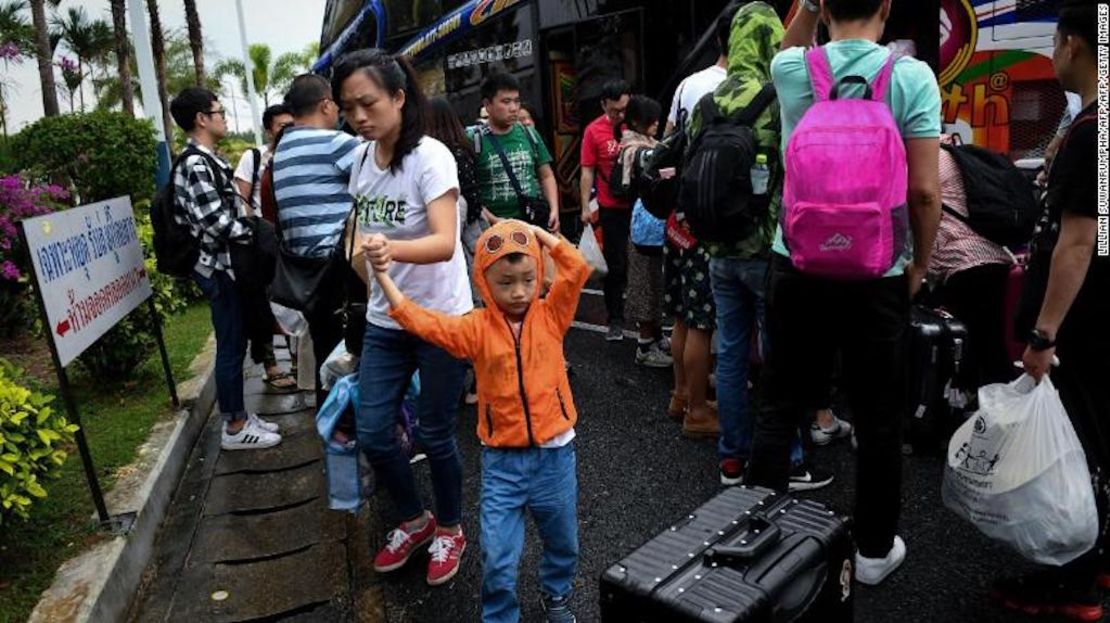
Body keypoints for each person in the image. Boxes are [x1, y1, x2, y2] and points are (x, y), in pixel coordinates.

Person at [746, 0, 942, 586]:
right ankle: (875, 551)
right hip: (878, 271)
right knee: (879, 416)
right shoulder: (910, 77)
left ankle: (753, 534)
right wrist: (918, 265)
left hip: (797, 263)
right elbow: (926, 191)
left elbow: (786, 46)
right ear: (887, 6)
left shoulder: (793, 71)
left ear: (823, 5)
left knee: (781, 402)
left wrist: (807, 7)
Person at [371, 220, 589, 623]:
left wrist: (538, 234)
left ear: (540, 273)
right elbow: (424, 323)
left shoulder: (552, 314)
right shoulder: (475, 328)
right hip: (502, 465)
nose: (519, 291)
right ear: (483, 281)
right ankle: (499, 616)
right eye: (505, 283)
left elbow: (576, 268)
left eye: (528, 279)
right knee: (498, 555)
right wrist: (383, 277)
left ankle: (556, 596)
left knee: (564, 543)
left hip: (555, 459)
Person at [334, 49, 473, 587]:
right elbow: (361, 236)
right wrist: (365, 260)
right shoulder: (361, 161)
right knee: (372, 433)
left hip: (441, 321)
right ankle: (416, 520)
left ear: (397, 97)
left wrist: (388, 248)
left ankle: (452, 529)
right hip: (386, 322)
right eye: (348, 108)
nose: (359, 117)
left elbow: (443, 243)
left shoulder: (431, 156)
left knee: (436, 435)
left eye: (367, 103)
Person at [689, 2, 834, 489]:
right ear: (770, 41)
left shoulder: (709, 99)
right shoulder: (778, 95)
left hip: (717, 252)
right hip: (767, 251)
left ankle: (732, 459)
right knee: (779, 356)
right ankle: (789, 460)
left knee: (729, 354)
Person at [996, 3, 1108, 618]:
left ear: (1072, 44)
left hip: (1084, 323)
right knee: (1097, 440)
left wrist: (1045, 333)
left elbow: (1080, 238)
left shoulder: (1093, 131)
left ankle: (1074, 582)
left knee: (1077, 449)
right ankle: (1095, 563)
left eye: (1055, 42)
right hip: (1101, 313)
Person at [169, 87, 281, 451]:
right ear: (202, 119)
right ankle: (234, 426)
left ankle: (241, 416)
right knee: (231, 345)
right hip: (218, 269)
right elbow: (215, 222)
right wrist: (255, 231)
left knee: (236, 340)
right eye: (219, 111)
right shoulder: (196, 164)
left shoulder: (206, 160)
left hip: (226, 268)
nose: (224, 117)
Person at [270, 74, 364, 407]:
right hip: (338, 270)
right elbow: (384, 168)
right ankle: (357, 428)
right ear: (326, 105)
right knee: (355, 351)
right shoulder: (334, 143)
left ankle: (334, 430)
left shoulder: (283, 147)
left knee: (328, 350)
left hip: (305, 272)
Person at [925, 134, 1015, 392]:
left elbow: (921, 199)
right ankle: (988, 411)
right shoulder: (956, 156)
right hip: (992, 257)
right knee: (986, 346)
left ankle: (995, 418)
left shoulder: (932, 160)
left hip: (964, 263)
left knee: (982, 351)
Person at [233, 103, 296, 392]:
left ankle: (299, 362)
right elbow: (241, 200)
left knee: (295, 301)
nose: (288, 129)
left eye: (291, 124)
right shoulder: (254, 157)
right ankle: (271, 366)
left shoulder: (297, 154)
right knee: (262, 305)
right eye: (282, 125)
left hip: (292, 240)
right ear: (269, 128)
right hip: (262, 243)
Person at [614, 95, 671, 368]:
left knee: (656, 283)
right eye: (653, 118)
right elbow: (654, 162)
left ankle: (657, 337)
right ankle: (644, 346)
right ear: (637, 121)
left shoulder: (645, 144)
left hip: (652, 226)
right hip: (643, 228)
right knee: (645, 284)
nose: (658, 123)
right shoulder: (634, 150)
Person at [579, 78, 632, 341]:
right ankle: (615, 319)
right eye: (614, 111)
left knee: (643, 263)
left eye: (624, 109)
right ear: (603, 105)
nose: (620, 115)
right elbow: (587, 171)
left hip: (638, 205)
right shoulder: (593, 131)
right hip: (610, 208)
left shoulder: (635, 123)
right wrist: (584, 208)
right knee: (614, 265)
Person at [473, 73, 560, 232]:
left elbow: (546, 175)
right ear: (487, 104)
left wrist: (554, 209)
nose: (514, 108)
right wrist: (494, 220)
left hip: (532, 227)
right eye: (506, 102)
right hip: (492, 231)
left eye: (516, 101)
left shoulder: (530, 134)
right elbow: (467, 192)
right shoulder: (473, 140)